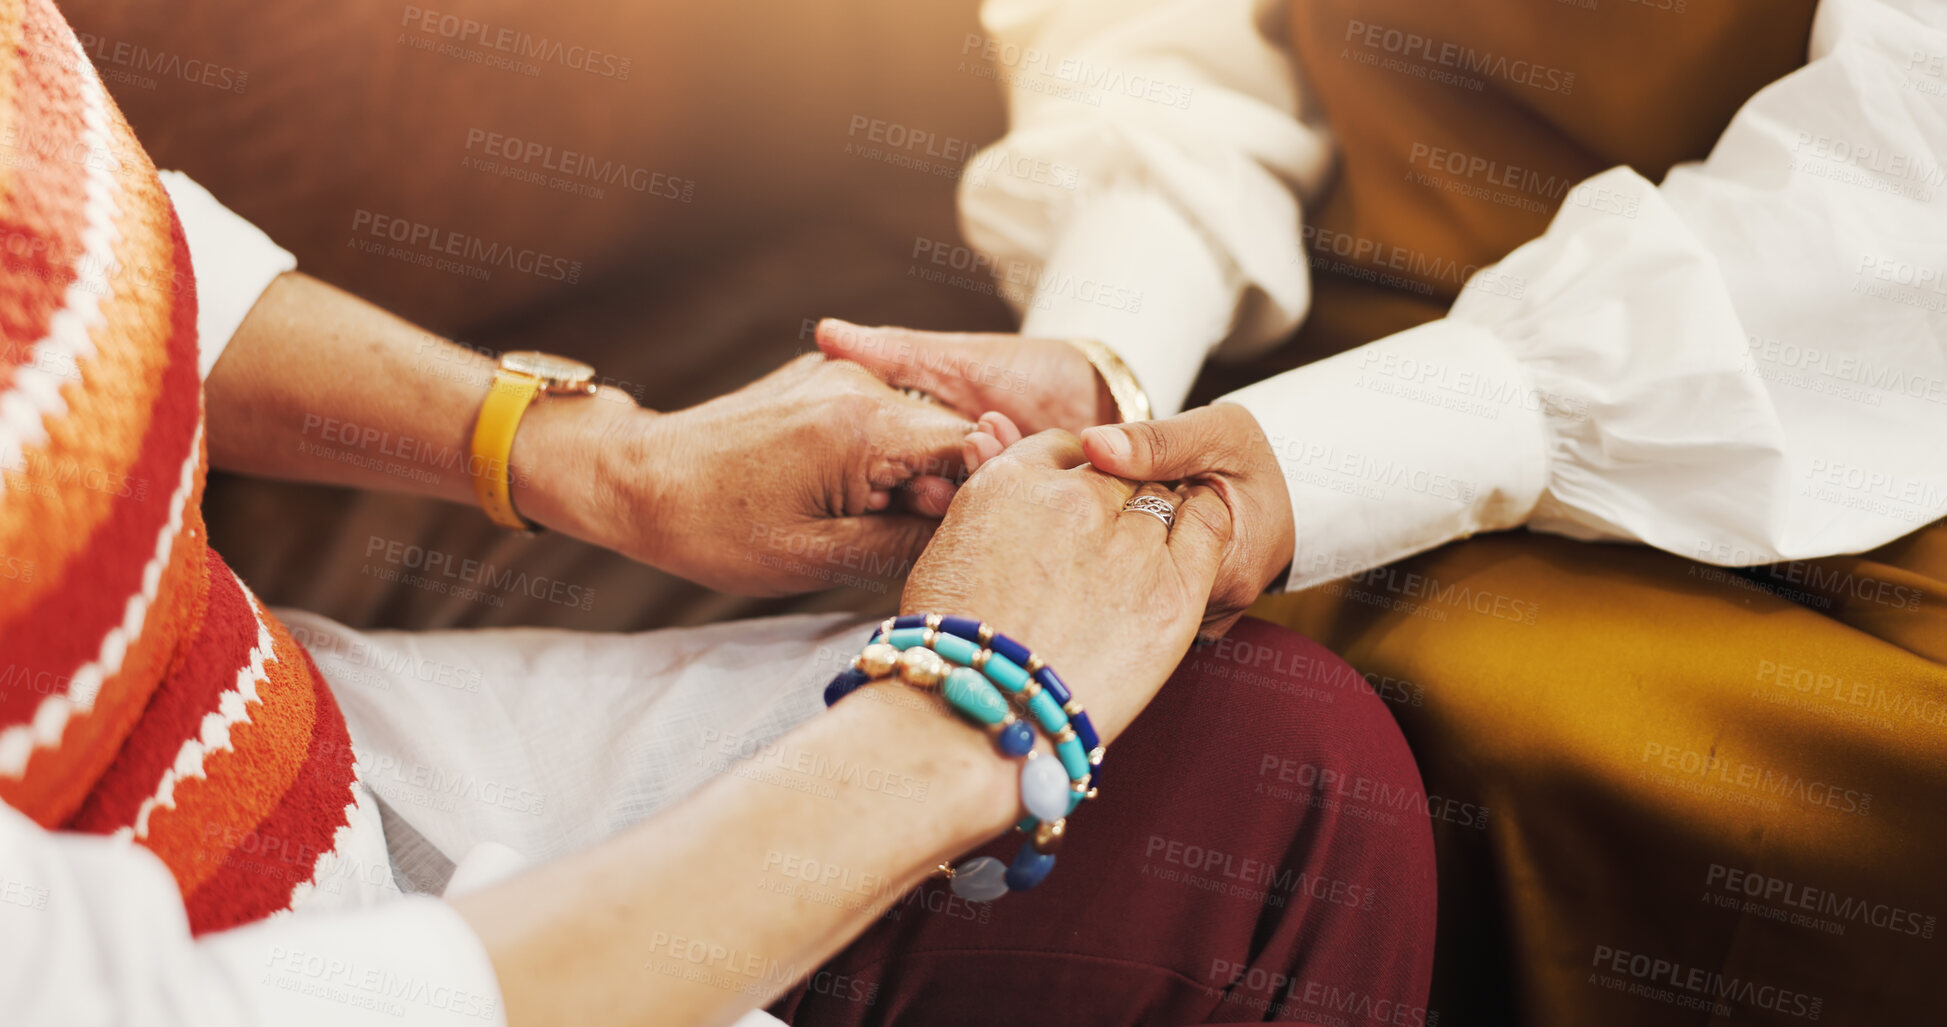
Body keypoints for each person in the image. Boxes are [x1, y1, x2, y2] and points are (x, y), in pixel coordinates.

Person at [0, 1, 1436, 1024]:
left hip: (297, 726)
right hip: (287, 963)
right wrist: (963, 719)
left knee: (1263, 770)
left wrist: (607, 460)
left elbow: (83, 221)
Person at [818, 0, 1947, 1022]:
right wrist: (1112, 350)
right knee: (1391, 732)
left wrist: (1346, 450)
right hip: (1323, 371)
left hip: (1872, 386)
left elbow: (1893, 184)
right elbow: (1165, 38)